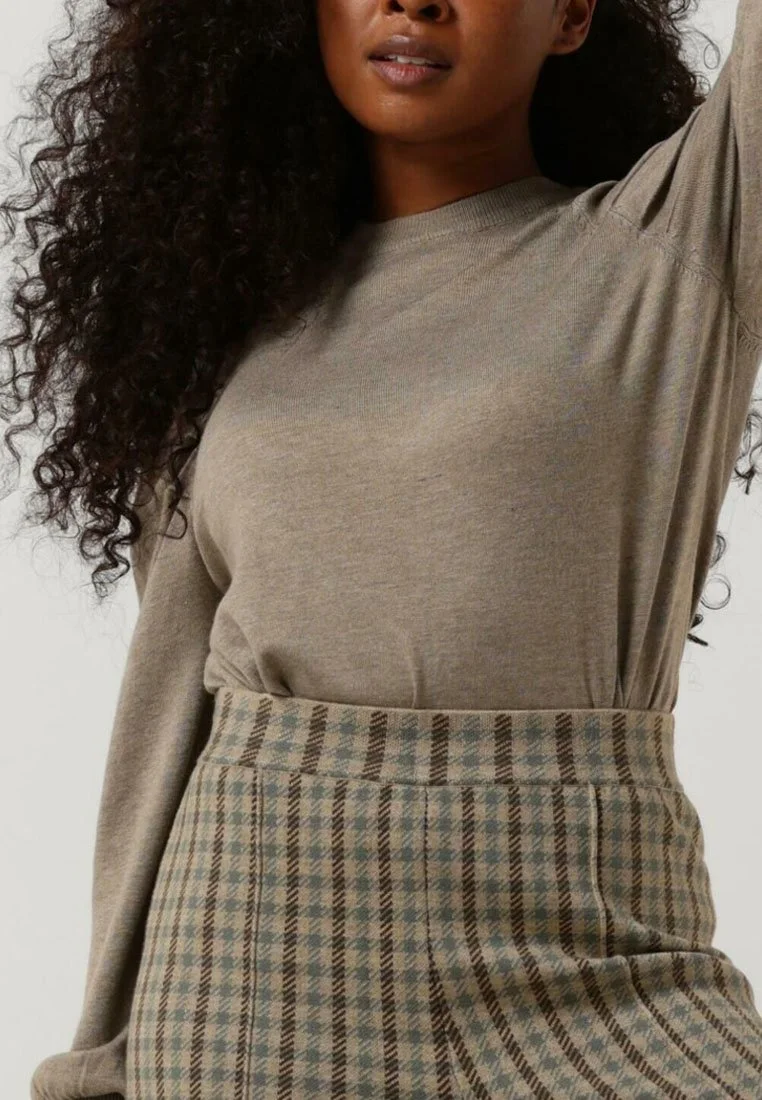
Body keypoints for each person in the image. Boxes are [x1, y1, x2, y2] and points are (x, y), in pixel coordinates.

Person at [2, 0, 761, 1094]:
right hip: (248, 973)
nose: (412, 0)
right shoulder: (225, 321)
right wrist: (102, 1058)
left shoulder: (675, 242)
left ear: (571, 15)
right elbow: (169, 701)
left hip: (596, 946)